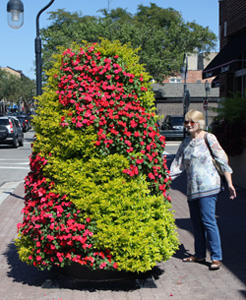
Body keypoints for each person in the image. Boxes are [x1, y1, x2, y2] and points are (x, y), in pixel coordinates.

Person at [170, 109, 236, 271]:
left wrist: (229, 183)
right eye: (187, 122)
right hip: (193, 189)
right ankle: (199, 254)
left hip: (209, 187)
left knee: (208, 222)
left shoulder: (208, 138)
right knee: (196, 223)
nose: (189, 125)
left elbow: (222, 159)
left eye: (193, 121)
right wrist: (165, 180)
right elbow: (177, 164)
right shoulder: (186, 142)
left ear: (200, 123)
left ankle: (216, 257)